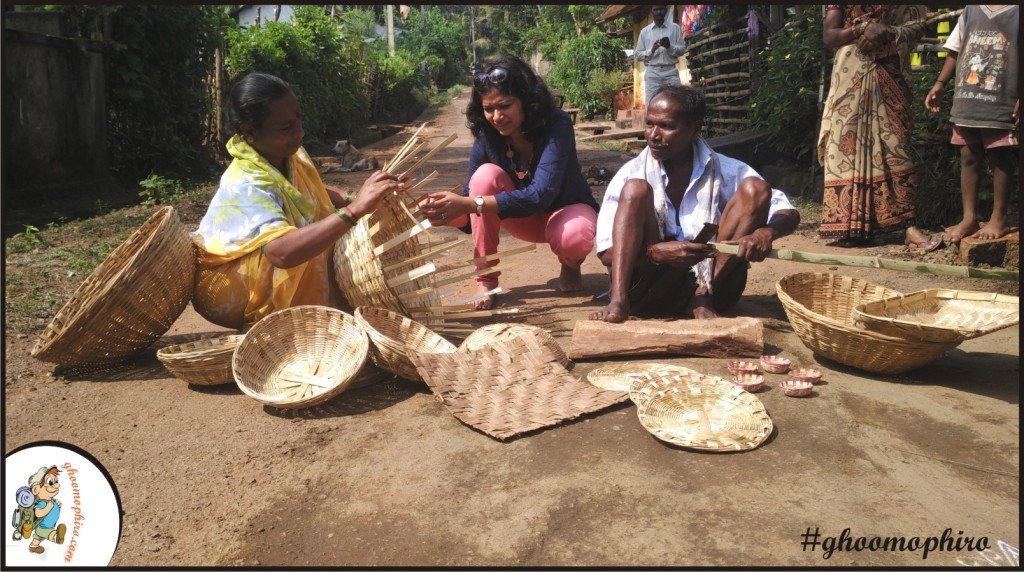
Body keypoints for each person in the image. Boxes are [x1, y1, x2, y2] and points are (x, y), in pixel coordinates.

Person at [191, 72, 405, 330]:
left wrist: (354, 197)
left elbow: (310, 190)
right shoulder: (245, 182)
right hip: (230, 288)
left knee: (322, 232)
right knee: (315, 244)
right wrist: (354, 210)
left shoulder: (287, 156)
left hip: (266, 263)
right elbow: (281, 253)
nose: (300, 133)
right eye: (286, 128)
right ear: (249, 132)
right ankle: (293, 321)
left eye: (298, 120)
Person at [590, 86, 800, 323]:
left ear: (694, 129)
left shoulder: (725, 170)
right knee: (635, 190)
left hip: (715, 288)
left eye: (667, 126)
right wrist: (655, 253)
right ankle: (619, 301)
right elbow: (606, 253)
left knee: (756, 190)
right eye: (649, 124)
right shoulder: (632, 173)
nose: (653, 135)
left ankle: (700, 296)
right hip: (646, 289)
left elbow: (788, 212)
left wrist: (765, 233)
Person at [420, 56, 598, 310]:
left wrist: (468, 204)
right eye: (488, 109)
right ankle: (486, 280)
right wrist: (445, 211)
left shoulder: (557, 124)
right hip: (522, 220)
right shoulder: (487, 134)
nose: (496, 116)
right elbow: (474, 201)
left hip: (564, 210)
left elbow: (541, 195)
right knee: (484, 176)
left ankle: (570, 263)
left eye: (505, 106)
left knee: (575, 237)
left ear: (526, 101)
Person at [817, 5, 937, 249]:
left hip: (890, 71)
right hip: (850, 73)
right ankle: (852, 227)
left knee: (896, 144)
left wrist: (885, 33)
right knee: (845, 146)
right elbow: (830, 36)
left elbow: (917, 24)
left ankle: (908, 226)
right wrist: (861, 29)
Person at [924, 5, 1018, 242]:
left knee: (1000, 157)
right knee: (968, 156)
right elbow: (955, 50)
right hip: (967, 99)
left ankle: (1000, 218)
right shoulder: (971, 10)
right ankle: (969, 217)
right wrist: (940, 83)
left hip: (1002, 101)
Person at [634, 5, 687, 106]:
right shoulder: (644, 32)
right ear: (651, 11)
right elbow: (637, 55)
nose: (659, 12)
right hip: (653, 73)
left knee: (676, 104)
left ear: (666, 10)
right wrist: (651, 50)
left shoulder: (675, 28)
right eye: (656, 9)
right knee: (651, 106)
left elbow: (682, 50)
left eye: (661, 9)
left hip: (671, 72)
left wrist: (669, 47)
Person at [28, 466, 66, 554]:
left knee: (37, 538)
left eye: (56, 481)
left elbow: (53, 509)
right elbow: (38, 513)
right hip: (43, 527)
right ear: (36, 489)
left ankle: (33, 546)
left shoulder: (51, 501)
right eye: (50, 482)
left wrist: (58, 506)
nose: (57, 485)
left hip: (49, 525)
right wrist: (49, 507)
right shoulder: (42, 503)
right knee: (49, 533)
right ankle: (57, 537)